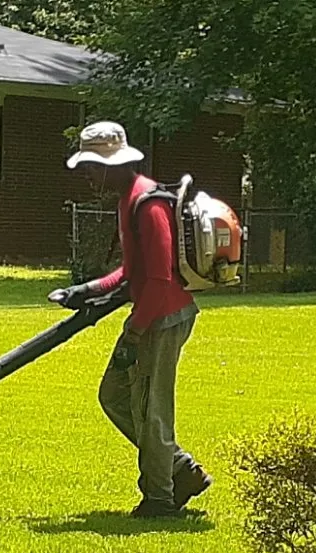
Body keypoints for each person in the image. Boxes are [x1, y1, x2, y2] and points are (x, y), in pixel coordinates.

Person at [49, 121, 212, 518]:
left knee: (150, 407)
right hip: (153, 314)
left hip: (164, 317)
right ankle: (179, 469)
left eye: (90, 166)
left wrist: (133, 333)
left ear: (112, 165)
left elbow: (157, 281)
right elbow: (129, 273)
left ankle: (159, 498)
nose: (86, 174)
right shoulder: (128, 200)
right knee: (116, 395)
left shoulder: (148, 204)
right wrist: (83, 291)